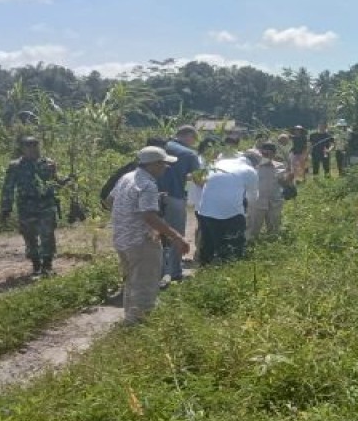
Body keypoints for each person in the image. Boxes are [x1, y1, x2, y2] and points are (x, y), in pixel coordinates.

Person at [107, 146, 188, 326]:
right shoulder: (148, 185)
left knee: (132, 281)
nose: (166, 167)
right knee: (145, 284)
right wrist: (177, 237)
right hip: (141, 241)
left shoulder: (126, 177)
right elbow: (150, 217)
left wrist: (127, 218)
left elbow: (110, 200)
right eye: (163, 164)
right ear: (154, 164)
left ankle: (130, 318)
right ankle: (139, 325)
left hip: (122, 239)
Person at [0, 135, 66, 276]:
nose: (32, 149)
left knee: (47, 235)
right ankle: (36, 264)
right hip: (26, 206)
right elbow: (8, 187)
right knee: (29, 236)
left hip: (46, 205)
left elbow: (56, 181)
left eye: (35, 145)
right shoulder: (16, 166)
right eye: (28, 146)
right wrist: (6, 208)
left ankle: (47, 265)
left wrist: (66, 181)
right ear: (23, 148)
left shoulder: (49, 164)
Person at [195, 149, 260, 264]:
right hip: (231, 213)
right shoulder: (250, 171)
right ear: (255, 164)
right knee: (233, 247)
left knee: (207, 245)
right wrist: (247, 215)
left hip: (205, 210)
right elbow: (253, 198)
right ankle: (229, 266)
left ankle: (204, 267)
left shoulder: (221, 163)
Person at [158, 126, 202, 284]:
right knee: (175, 234)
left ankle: (157, 269)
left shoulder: (161, 146)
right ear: (189, 136)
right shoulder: (189, 154)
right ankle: (174, 271)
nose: (193, 143)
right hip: (174, 197)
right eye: (194, 139)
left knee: (156, 234)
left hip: (151, 197)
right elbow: (200, 180)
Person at [248, 143, 291, 238]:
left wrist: (289, 177)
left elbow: (283, 182)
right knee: (253, 229)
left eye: (269, 153)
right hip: (257, 202)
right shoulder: (253, 166)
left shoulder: (279, 166)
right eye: (264, 153)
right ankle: (252, 242)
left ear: (274, 154)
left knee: (274, 229)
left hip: (274, 201)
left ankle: (272, 241)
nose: (266, 155)